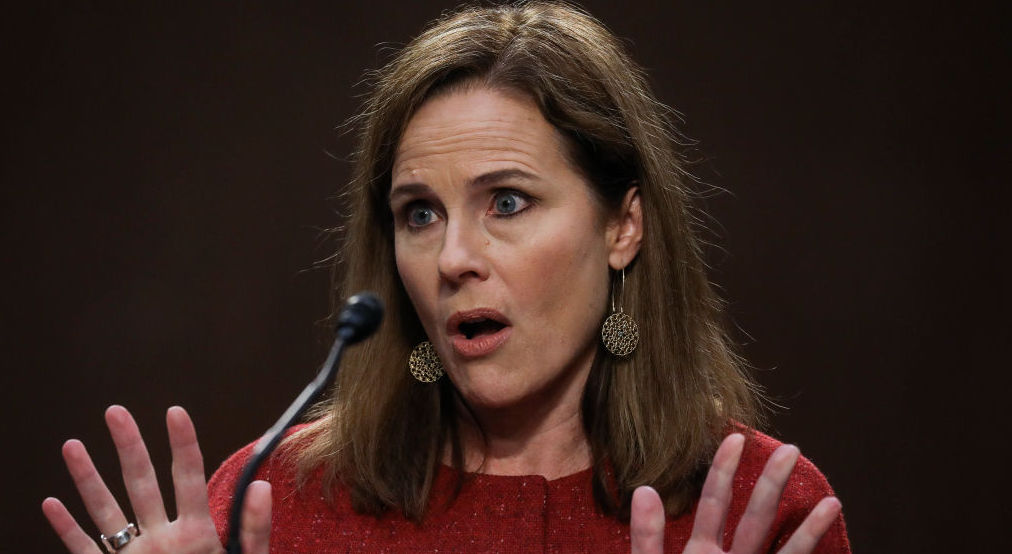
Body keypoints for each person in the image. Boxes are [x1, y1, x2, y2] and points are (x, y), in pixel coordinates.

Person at [42, 2, 851, 552]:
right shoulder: (277, 503)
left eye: (507, 201)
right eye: (420, 213)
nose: (454, 257)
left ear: (623, 226)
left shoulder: (755, 508)